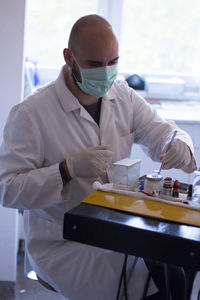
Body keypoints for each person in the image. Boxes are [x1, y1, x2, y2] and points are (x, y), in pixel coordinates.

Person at [0, 14, 197, 300]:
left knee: (174, 269)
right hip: (62, 241)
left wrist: (179, 143)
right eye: (94, 64)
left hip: (114, 228)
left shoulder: (123, 97)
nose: (106, 73)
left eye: (113, 62)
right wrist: (66, 170)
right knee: (154, 282)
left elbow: (163, 131)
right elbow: (6, 189)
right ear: (69, 57)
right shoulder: (32, 114)